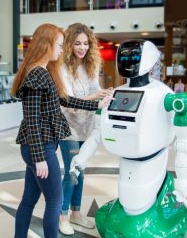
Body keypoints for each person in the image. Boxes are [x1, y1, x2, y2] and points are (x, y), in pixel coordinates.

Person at [10, 23, 113, 238]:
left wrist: (97, 105)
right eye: (58, 44)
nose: (60, 48)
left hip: (40, 146)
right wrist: (39, 158)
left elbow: (64, 99)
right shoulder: (37, 75)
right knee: (55, 201)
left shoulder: (44, 72)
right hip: (39, 148)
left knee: (29, 200)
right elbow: (32, 121)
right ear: (46, 45)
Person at [59, 23, 113, 236]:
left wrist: (106, 92)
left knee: (80, 171)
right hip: (68, 128)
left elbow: (95, 89)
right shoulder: (62, 68)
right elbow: (68, 101)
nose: (81, 47)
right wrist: (95, 97)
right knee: (72, 170)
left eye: (85, 43)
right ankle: (62, 216)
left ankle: (76, 213)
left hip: (87, 126)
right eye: (77, 43)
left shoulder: (90, 66)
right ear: (69, 44)